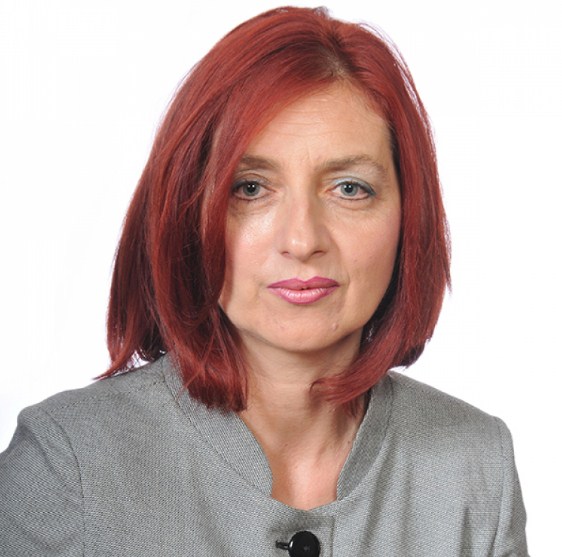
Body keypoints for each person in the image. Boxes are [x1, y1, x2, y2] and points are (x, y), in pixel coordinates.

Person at [0, 6, 528, 556]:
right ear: (187, 213)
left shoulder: (475, 468)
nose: (301, 240)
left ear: (408, 217)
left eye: (349, 188)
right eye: (250, 188)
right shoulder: (67, 467)